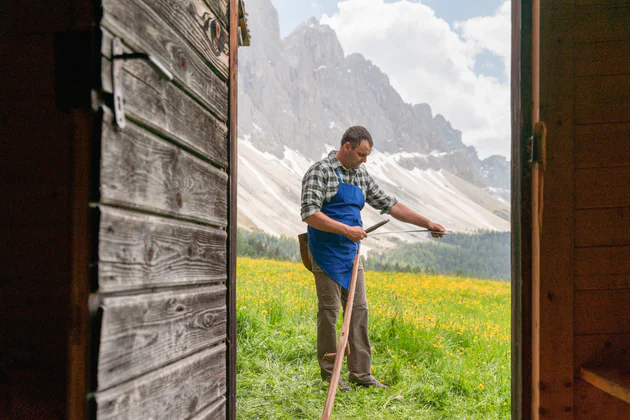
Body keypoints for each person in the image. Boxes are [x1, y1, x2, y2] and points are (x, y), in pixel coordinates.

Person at [301, 126, 446, 392]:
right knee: (330, 313)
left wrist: (426, 222)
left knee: (359, 311)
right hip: (324, 252)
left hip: (351, 254)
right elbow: (310, 213)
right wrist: (346, 229)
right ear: (346, 147)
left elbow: (391, 205)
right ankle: (330, 376)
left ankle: (361, 374)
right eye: (361, 154)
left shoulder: (361, 176)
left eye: (366, 155)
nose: (364, 160)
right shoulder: (319, 171)